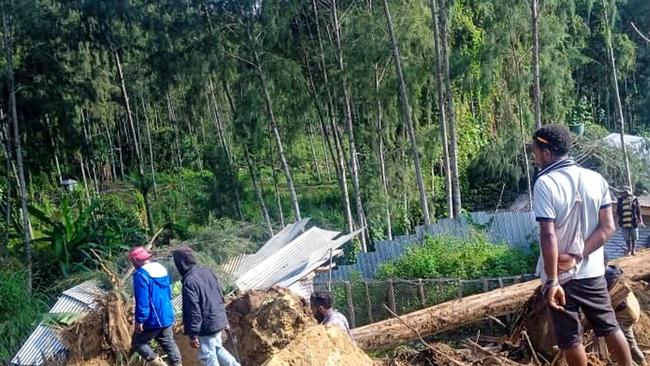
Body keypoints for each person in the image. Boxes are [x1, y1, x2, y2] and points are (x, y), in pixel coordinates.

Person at [531, 124, 633, 366]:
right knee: (609, 327)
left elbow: (548, 235)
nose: (534, 157)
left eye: (535, 151)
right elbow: (608, 227)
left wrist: (554, 280)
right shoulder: (596, 179)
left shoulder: (545, 183)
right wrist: (579, 256)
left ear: (547, 152)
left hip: (561, 277)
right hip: (593, 272)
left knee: (570, 339)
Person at [172, 247, 240, 366]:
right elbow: (219, 294)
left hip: (207, 325)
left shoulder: (189, 281)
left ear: (180, 263)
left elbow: (193, 310)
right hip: (218, 318)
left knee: (207, 357)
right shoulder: (207, 271)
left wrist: (193, 334)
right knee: (217, 349)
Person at [129, 247, 182, 366]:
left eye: (132, 262)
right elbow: (169, 291)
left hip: (153, 318)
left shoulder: (141, 274)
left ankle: (159, 364)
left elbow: (142, 300)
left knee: (138, 342)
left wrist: (139, 320)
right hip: (167, 314)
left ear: (135, 260)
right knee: (168, 342)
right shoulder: (161, 269)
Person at [605, 262, 646, 365]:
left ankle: (639, 362)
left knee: (627, 343)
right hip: (632, 306)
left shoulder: (604, 278)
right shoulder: (613, 271)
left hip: (626, 313)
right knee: (629, 342)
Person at [617, 187, 645, 256]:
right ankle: (629, 250)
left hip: (633, 222)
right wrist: (616, 221)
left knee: (634, 237)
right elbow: (618, 212)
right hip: (624, 222)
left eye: (626, 193)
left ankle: (633, 250)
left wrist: (641, 221)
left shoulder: (634, 200)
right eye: (624, 193)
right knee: (626, 237)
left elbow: (638, 211)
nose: (625, 194)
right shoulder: (620, 200)